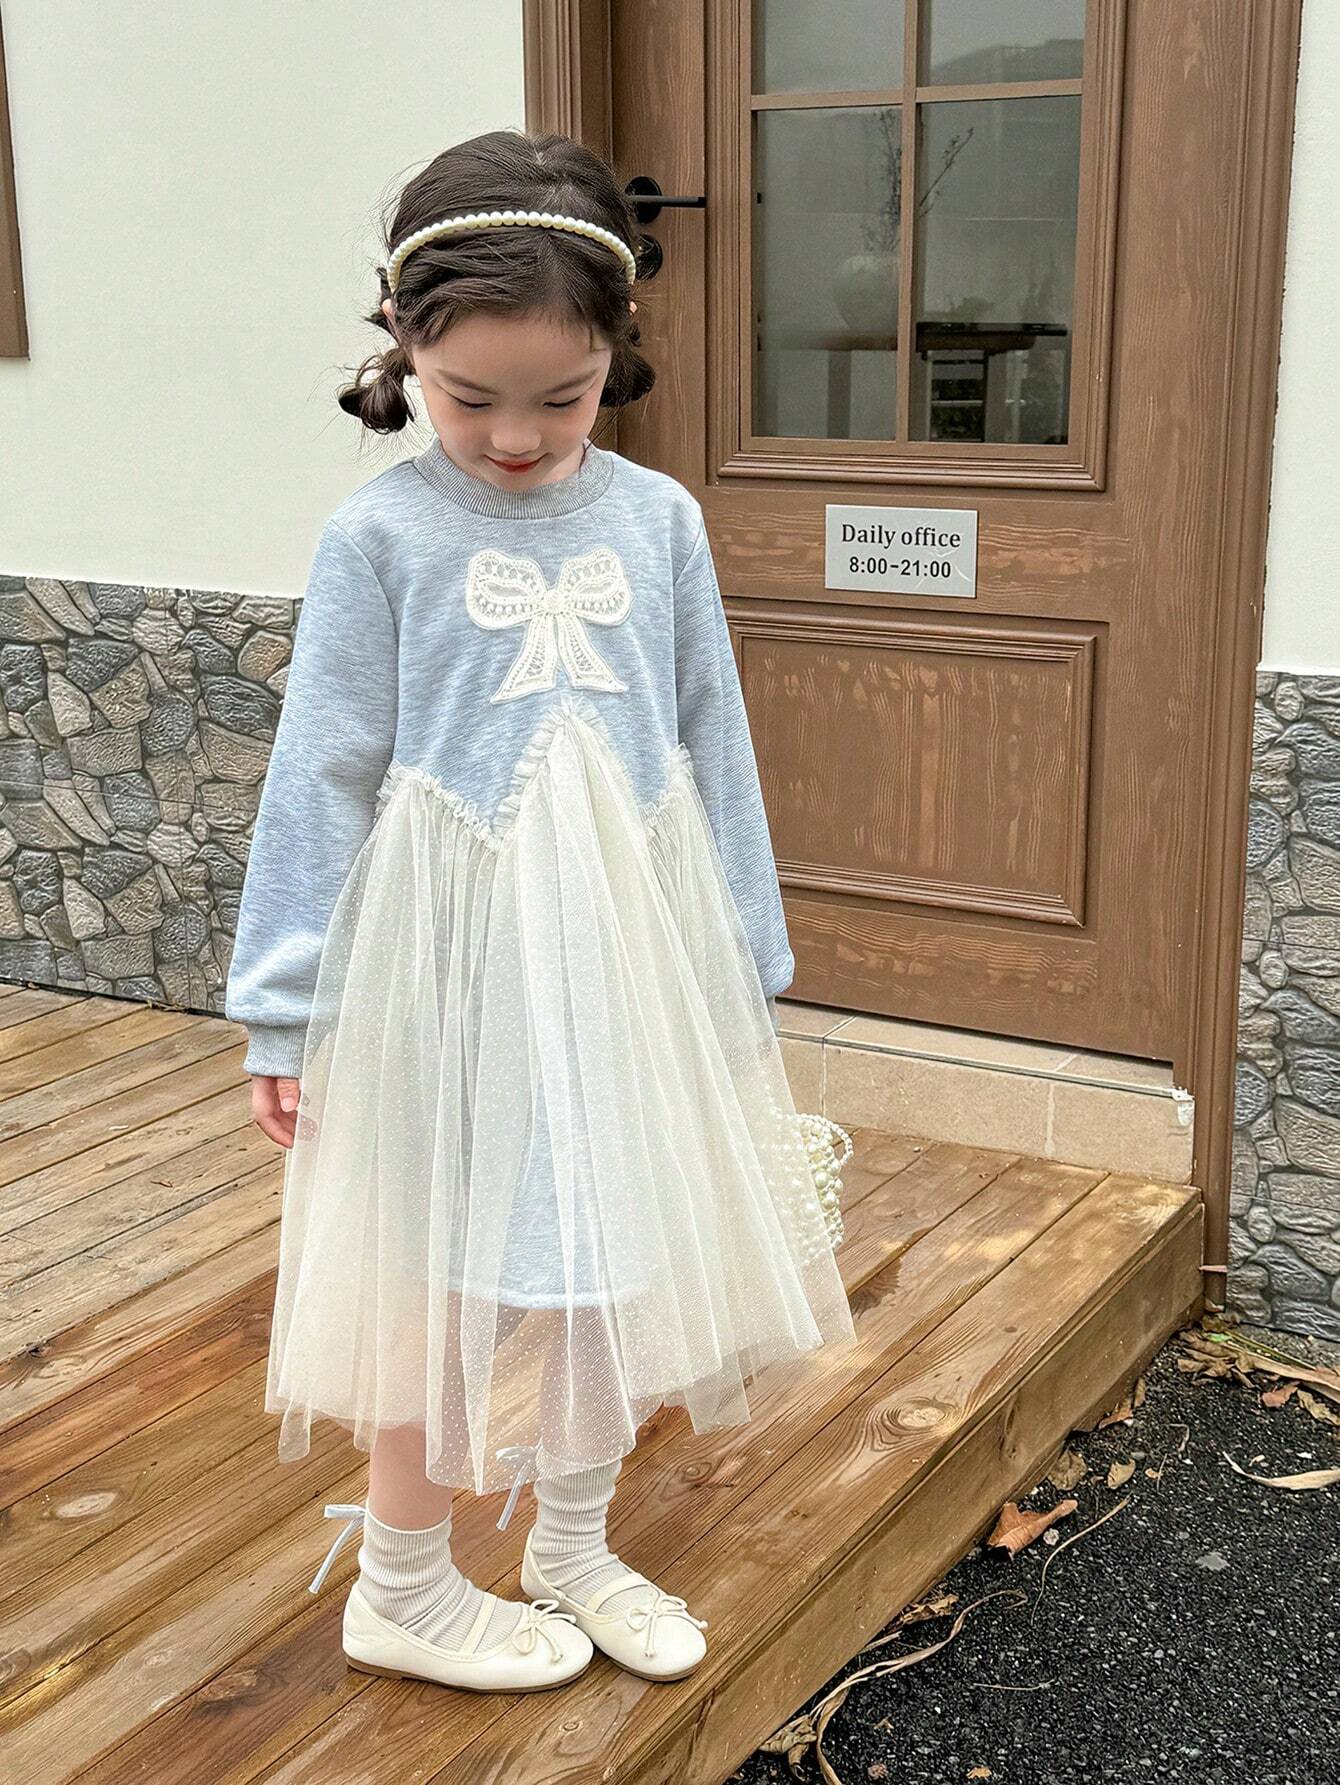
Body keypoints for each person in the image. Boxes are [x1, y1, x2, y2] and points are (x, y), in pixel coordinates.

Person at [224, 128, 858, 1694]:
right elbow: (323, 774)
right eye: (470, 397)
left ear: (614, 355)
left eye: (561, 399)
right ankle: (404, 1582)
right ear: (403, 347)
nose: (515, 437)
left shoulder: (659, 520)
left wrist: (743, 954)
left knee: (610, 1252)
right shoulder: (379, 538)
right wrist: (285, 1007)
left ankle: (573, 1540)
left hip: (624, 959)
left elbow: (709, 737)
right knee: (435, 1270)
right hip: (442, 969)